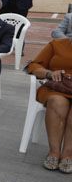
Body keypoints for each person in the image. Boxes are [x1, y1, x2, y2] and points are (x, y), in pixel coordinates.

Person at [27, 33, 72, 172]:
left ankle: (68, 154)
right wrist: (48, 73)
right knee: (57, 102)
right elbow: (33, 65)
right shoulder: (57, 44)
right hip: (58, 87)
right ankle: (54, 152)